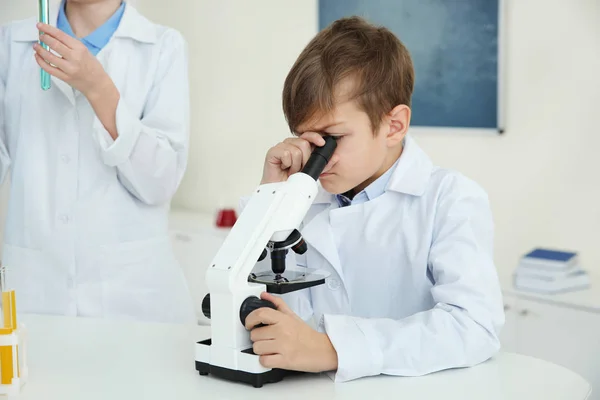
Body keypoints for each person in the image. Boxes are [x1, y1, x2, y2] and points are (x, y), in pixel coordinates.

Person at [243, 16, 505, 382]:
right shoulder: (294, 199)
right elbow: (237, 298)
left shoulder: (449, 199)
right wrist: (271, 200)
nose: (319, 156)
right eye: (306, 139)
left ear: (393, 126)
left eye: (332, 138)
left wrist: (333, 349)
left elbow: (474, 326)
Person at [0, 0, 196, 324]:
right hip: (36, 297)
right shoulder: (10, 45)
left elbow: (159, 183)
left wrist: (99, 88)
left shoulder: (163, 46)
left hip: (134, 303)